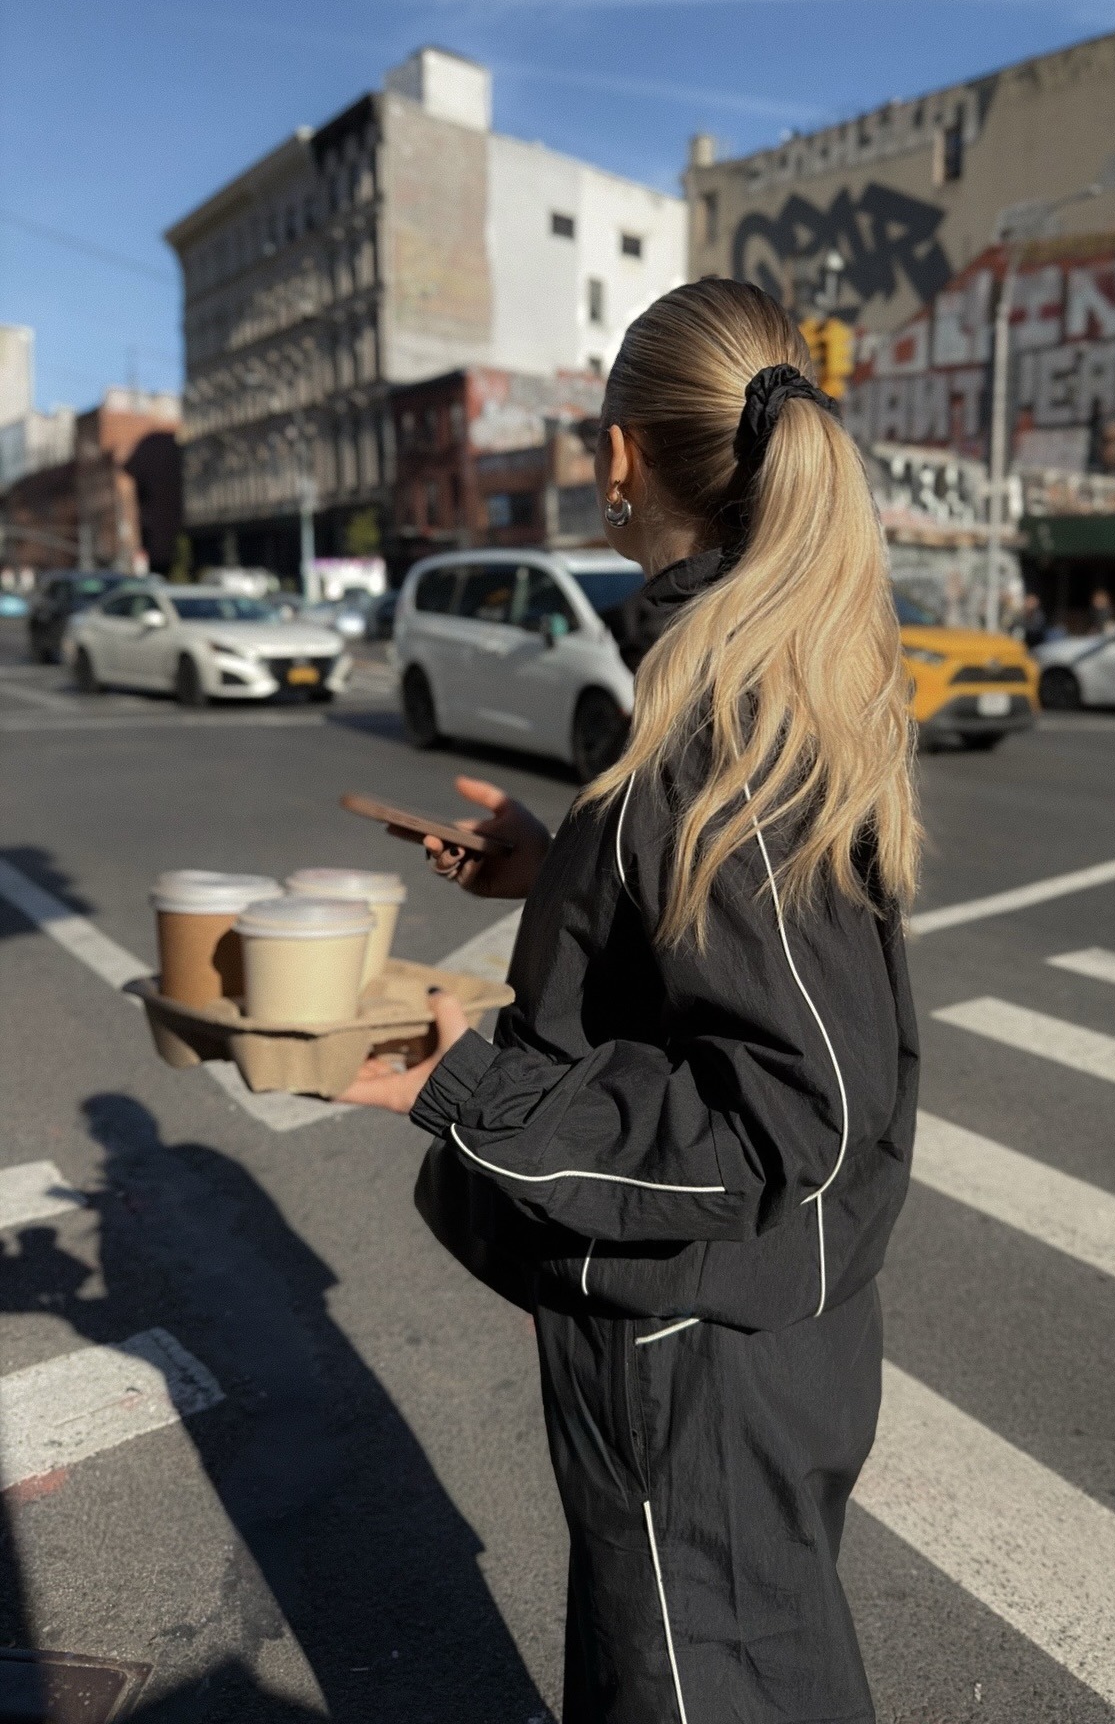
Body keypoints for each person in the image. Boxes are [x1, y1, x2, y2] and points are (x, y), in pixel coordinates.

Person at [342, 278, 920, 1723]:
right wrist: (559, 881)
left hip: (700, 1368)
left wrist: (465, 1078)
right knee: (712, 1667)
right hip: (720, 1336)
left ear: (618, 460)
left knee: (704, 1682)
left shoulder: (720, 724)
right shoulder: (740, 675)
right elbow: (712, 958)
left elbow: (797, 1118)